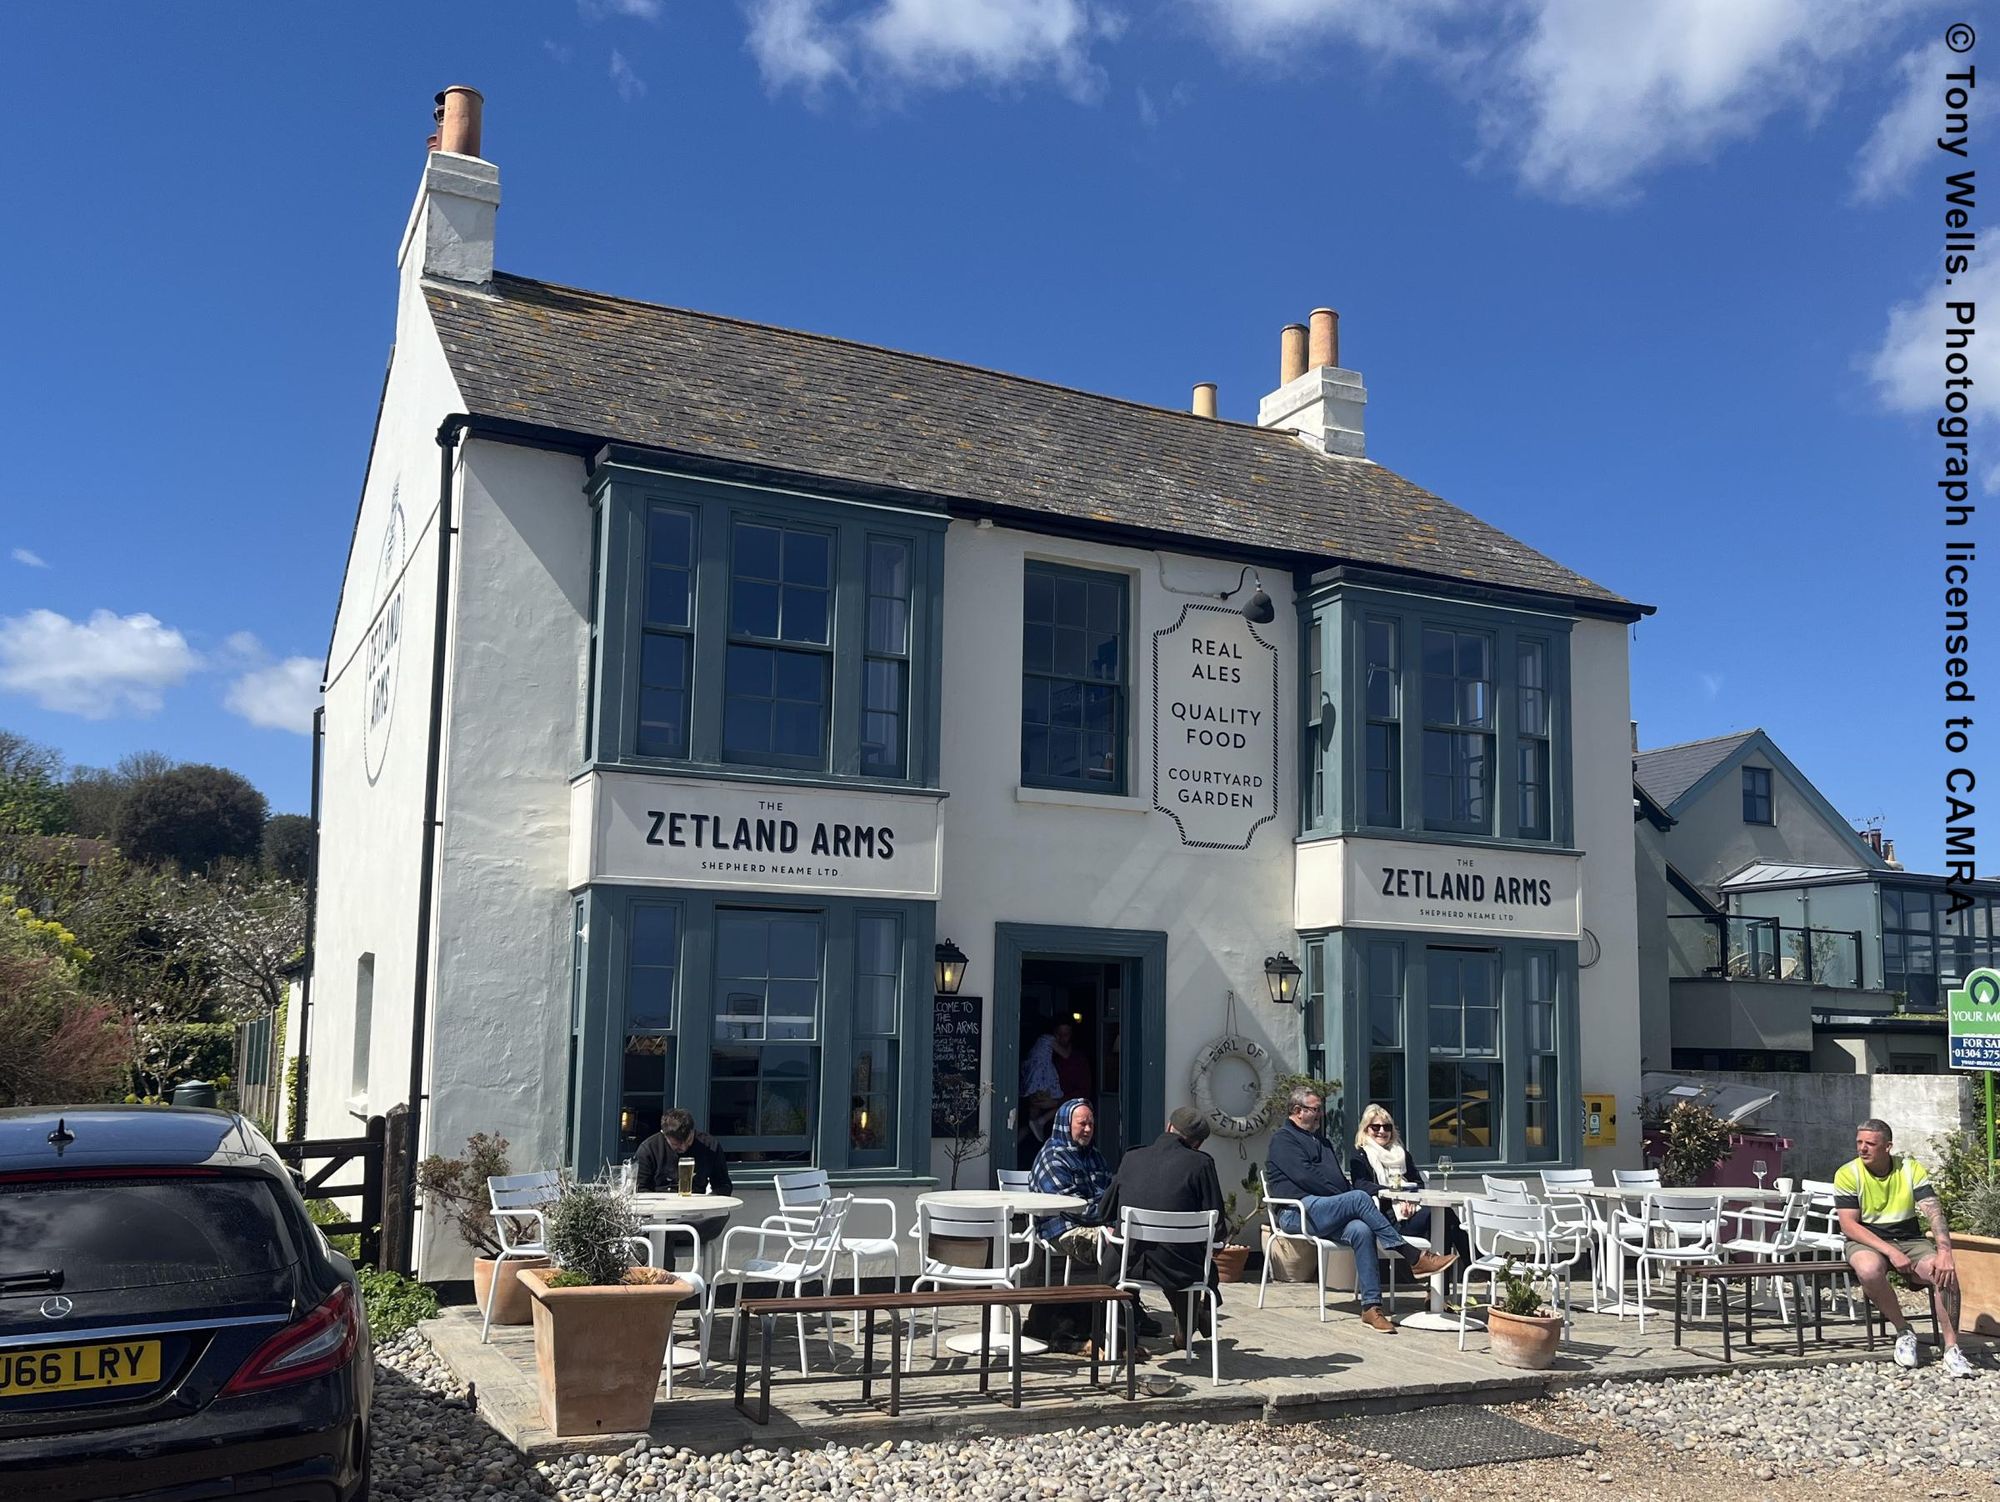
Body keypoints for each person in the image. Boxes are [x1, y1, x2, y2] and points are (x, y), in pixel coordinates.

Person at [1265, 1085, 1457, 1333]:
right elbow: (1307, 1178)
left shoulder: (1321, 1141)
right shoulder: (1283, 1139)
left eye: (1319, 1109)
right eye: (1315, 1109)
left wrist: (1345, 1195)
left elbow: (1336, 1179)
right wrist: (1346, 1197)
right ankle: (1413, 1257)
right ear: (1297, 1111)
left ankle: (1371, 1307)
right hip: (1297, 1211)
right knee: (1357, 1197)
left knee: (1361, 1230)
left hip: (1326, 1211)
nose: (1320, 1114)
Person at [1835, 1117, 1975, 1377]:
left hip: (1910, 1239)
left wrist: (1945, 1252)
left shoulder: (1910, 1169)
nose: (1862, 1148)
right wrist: (1890, 1251)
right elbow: (1849, 1225)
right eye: (1859, 1142)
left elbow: (1934, 1212)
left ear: (1887, 1146)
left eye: (1870, 1144)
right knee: (1868, 1269)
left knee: (1943, 1273)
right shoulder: (1848, 1173)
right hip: (1866, 1239)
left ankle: (1952, 1349)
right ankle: (1903, 1330)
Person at [1098, 1106, 1225, 1349]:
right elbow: (1217, 1226)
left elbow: (1105, 1211)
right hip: (1180, 1269)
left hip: (1127, 1266)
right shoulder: (1201, 1164)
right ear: (1197, 1144)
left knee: (1118, 1255)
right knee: (1191, 1257)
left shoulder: (1132, 1157)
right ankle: (1188, 1326)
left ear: (1168, 1127)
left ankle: (1123, 1342)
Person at [1022, 1098, 1119, 1351]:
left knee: (1128, 1239)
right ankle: (1107, 1320)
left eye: (1091, 1124)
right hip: (1061, 1227)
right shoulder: (1052, 1158)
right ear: (1066, 1124)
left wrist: (1112, 1216)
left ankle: (1120, 1316)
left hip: (1097, 1221)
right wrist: (1108, 1219)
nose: (1087, 1129)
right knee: (1116, 1245)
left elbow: (1109, 1193)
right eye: (1081, 1124)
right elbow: (1069, 1206)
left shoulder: (1095, 1156)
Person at [1347, 1103, 1468, 1266]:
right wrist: (1395, 1194)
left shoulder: (1401, 1154)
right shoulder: (1360, 1155)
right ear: (1366, 1129)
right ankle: (1475, 1263)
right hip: (1385, 1218)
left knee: (1444, 1219)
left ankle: (1447, 1278)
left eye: (1386, 1127)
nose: (1382, 1131)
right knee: (1444, 1218)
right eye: (1375, 1127)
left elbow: (1418, 1183)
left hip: (1412, 1211)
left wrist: (1410, 1200)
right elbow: (1361, 1185)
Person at [631, 1108, 733, 1254]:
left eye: (688, 1141)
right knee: (659, 1230)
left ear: (693, 1131)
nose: (684, 1147)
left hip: (694, 1217)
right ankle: (668, 1234)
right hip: (659, 1216)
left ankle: (670, 1230)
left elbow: (723, 1185)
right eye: (677, 1145)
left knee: (721, 1214)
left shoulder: (710, 1146)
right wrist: (662, 1208)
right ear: (664, 1135)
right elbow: (640, 1191)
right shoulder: (649, 1149)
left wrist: (709, 1201)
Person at [1020, 1021, 1085, 1145]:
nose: (1061, 1038)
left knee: (1033, 1116)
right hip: (1041, 1083)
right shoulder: (1049, 1041)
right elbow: (1065, 1054)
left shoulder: (1040, 1044)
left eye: (1066, 1034)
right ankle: (1040, 1122)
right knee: (1065, 1106)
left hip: (1034, 1082)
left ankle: (1033, 1128)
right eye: (1059, 1034)